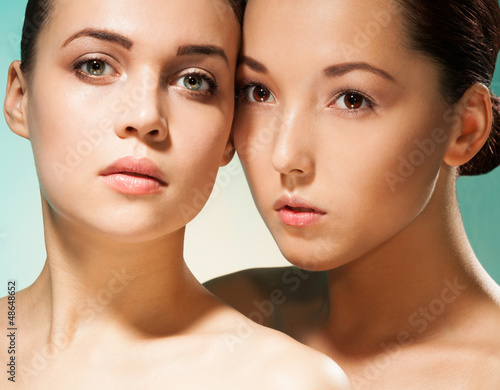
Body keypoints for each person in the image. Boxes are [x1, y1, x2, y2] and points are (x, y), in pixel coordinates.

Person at [0, 0, 352, 388]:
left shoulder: (281, 380)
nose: (146, 116)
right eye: (95, 65)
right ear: (20, 97)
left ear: (229, 136)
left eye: (194, 81)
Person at [206, 0, 500, 387]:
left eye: (352, 99)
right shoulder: (218, 323)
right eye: (258, 92)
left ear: (465, 127)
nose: (285, 156)